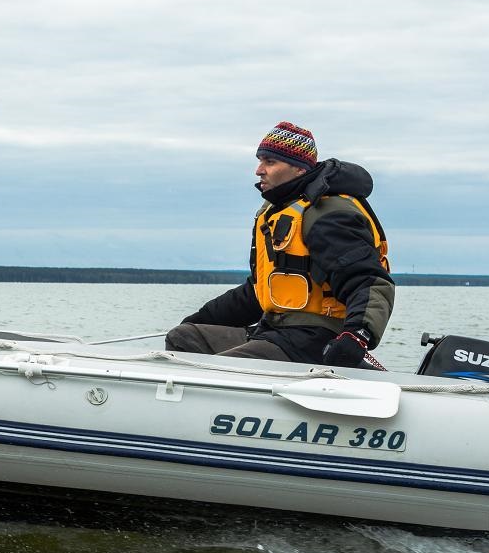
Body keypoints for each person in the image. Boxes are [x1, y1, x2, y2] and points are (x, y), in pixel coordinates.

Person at [165, 121, 394, 368]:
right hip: (275, 331)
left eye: (269, 162)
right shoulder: (278, 212)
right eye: (260, 160)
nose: (259, 170)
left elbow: (369, 282)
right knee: (183, 337)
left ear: (299, 169)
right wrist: (199, 319)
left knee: (214, 370)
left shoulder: (326, 213)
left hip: (315, 340)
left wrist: (357, 336)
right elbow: (258, 291)